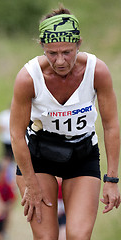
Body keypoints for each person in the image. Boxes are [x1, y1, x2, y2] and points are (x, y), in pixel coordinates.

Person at [10, 6, 120, 240]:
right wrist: (30, 183)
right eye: (52, 53)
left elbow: (111, 125)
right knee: (46, 237)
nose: (60, 61)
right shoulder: (28, 77)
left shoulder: (96, 71)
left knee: (79, 236)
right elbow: (16, 135)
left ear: (79, 44)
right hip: (38, 157)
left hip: (82, 155)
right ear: (42, 47)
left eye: (67, 52)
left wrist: (111, 179)